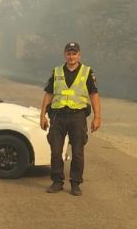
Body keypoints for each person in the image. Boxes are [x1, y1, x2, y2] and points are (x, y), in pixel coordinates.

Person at [39, 42, 101, 196]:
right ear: (64, 54)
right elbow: (48, 94)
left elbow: (94, 95)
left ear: (79, 55)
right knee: (55, 151)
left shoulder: (87, 72)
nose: (71, 56)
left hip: (77, 117)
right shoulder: (57, 71)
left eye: (74, 53)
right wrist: (42, 115)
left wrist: (97, 117)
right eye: (68, 53)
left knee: (78, 152)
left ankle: (75, 183)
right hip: (58, 116)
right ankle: (57, 181)